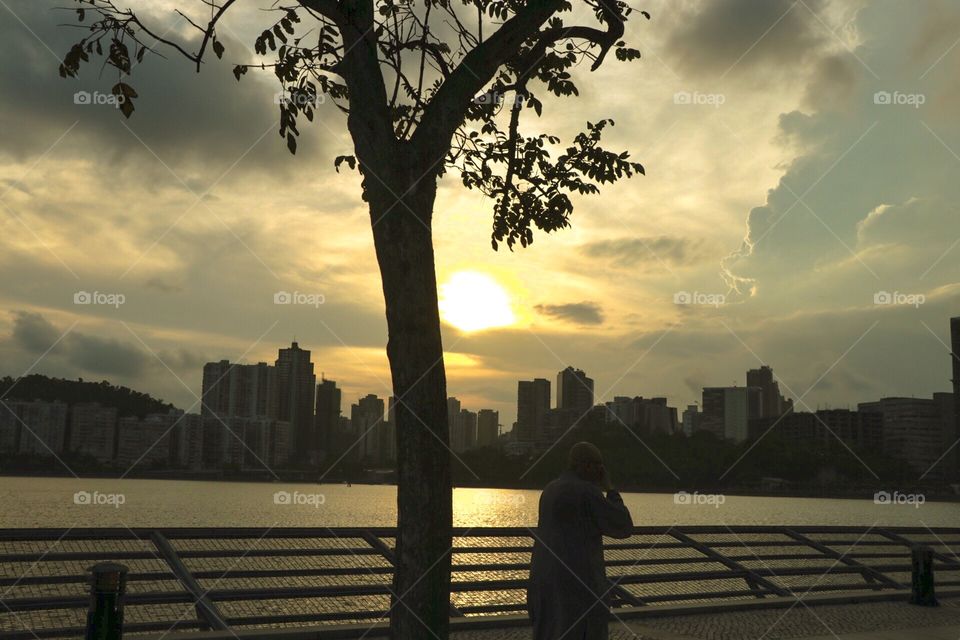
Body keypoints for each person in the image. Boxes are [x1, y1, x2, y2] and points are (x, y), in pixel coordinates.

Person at [527, 442, 634, 640]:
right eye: (599, 466)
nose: (601, 471)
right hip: (579, 582)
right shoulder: (586, 491)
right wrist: (610, 489)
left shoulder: (550, 489)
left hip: (544, 577)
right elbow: (622, 524)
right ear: (587, 466)